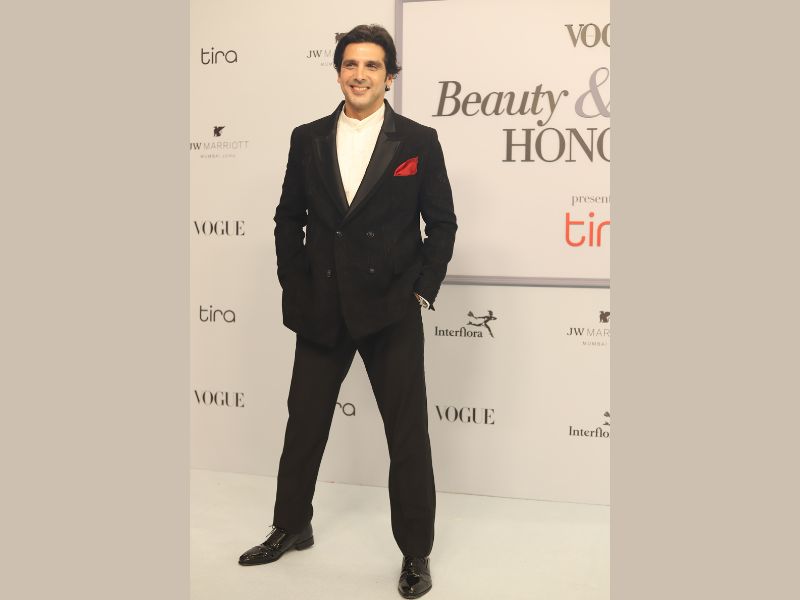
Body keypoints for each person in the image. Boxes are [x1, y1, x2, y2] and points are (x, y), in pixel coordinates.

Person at [238, 23, 457, 599]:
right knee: (304, 423)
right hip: (323, 308)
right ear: (338, 72)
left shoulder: (419, 141)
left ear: (390, 77)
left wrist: (421, 290)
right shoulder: (307, 137)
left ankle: (415, 552)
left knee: (407, 436)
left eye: (372, 66)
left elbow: (442, 223)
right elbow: (288, 218)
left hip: (391, 309)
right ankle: (291, 525)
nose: (360, 75)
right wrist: (296, 285)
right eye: (350, 64)